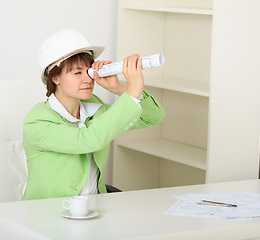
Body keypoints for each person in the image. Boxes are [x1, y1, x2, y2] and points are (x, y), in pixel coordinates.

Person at [22, 28, 165, 200]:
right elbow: (88, 140)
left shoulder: (94, 108)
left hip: (93, 212)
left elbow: (153, 117)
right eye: (77, 73)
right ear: (55, 78)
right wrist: (133, 90)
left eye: (89, 71)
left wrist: (119, 88)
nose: (88, 79)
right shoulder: (37, 120)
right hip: (49, 216)